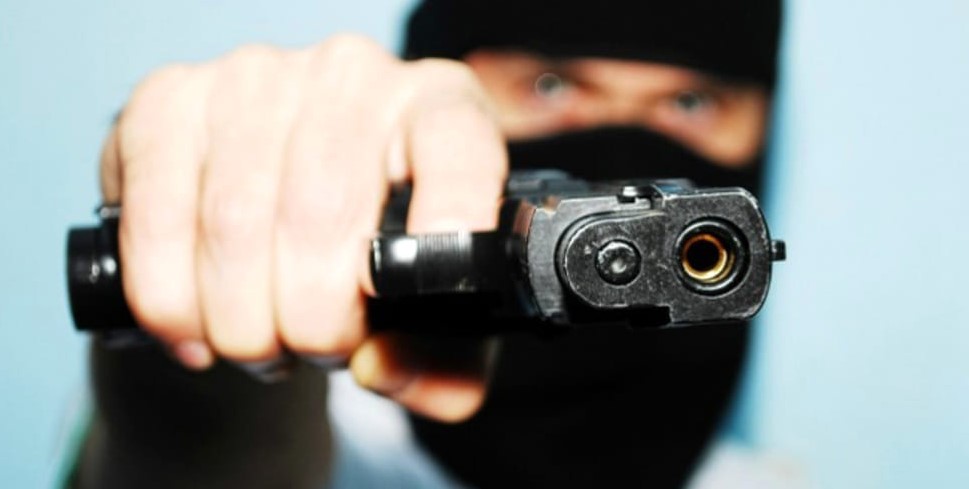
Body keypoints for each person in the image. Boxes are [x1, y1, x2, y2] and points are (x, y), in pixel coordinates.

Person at [68, 0, 782, 487]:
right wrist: (204, 345)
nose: (621, 143)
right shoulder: (328, 434)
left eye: (691, 102)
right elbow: (197, 455)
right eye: (548, 85)